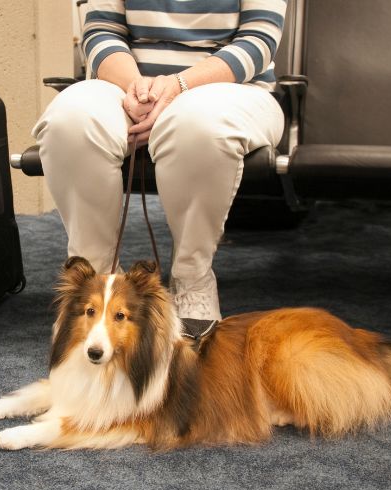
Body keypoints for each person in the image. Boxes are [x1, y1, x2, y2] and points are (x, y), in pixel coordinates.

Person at [32, 0, 286, 325]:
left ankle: (192, 279)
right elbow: (102, 30)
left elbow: (257, 41)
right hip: (128, 84)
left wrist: (178, 86)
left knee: (198, 126)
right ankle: (96, 280)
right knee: (69, 122)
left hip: (230, 88)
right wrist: (138, 89)